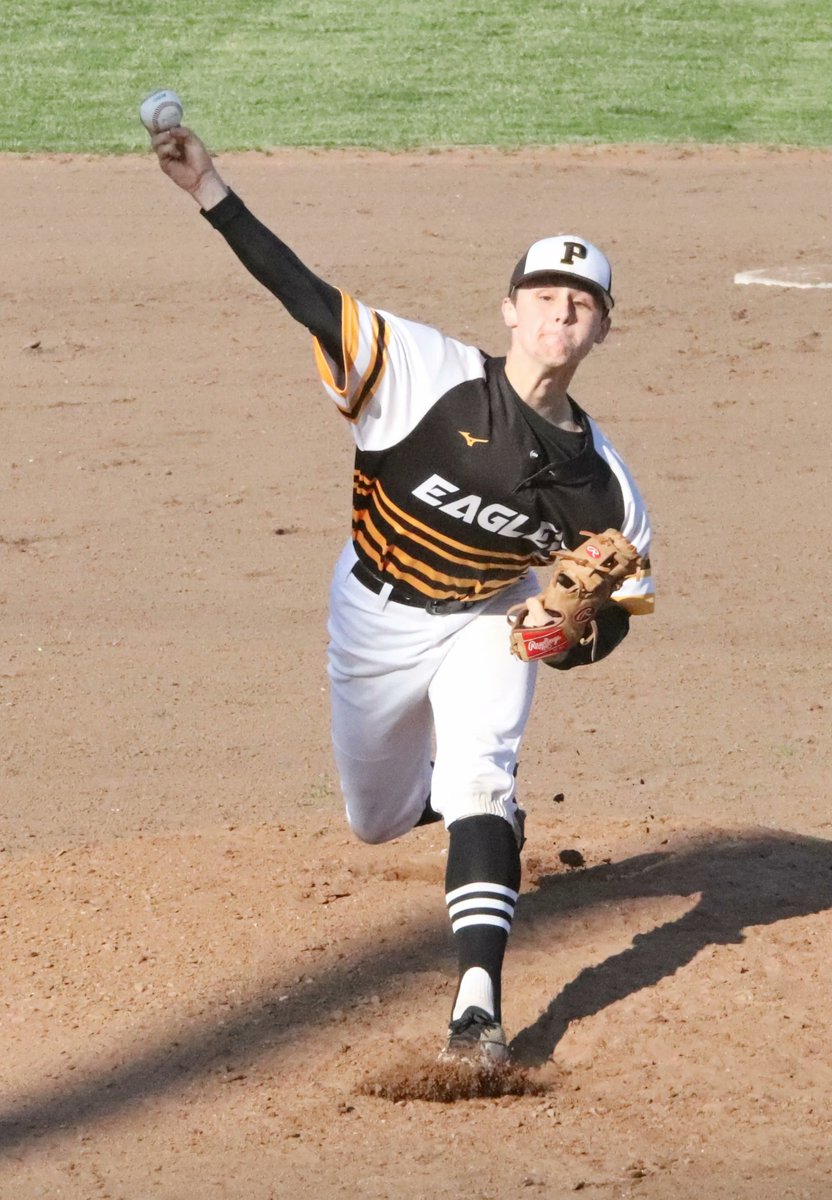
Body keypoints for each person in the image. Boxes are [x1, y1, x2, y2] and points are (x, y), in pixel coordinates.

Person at [149, 125, 654, 1066]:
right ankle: (474, 825)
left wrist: (567, 639)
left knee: (481, 777)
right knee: (376, 820)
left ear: (603, 328)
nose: (560, 315)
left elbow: (618, 611)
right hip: (372, 616)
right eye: (545, 296)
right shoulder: (422, 370)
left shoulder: (608, 489)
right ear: (510, 309)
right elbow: (303, 294)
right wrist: (209, 187)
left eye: (581, 304)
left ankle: (478, 1009)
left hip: (486, 623)